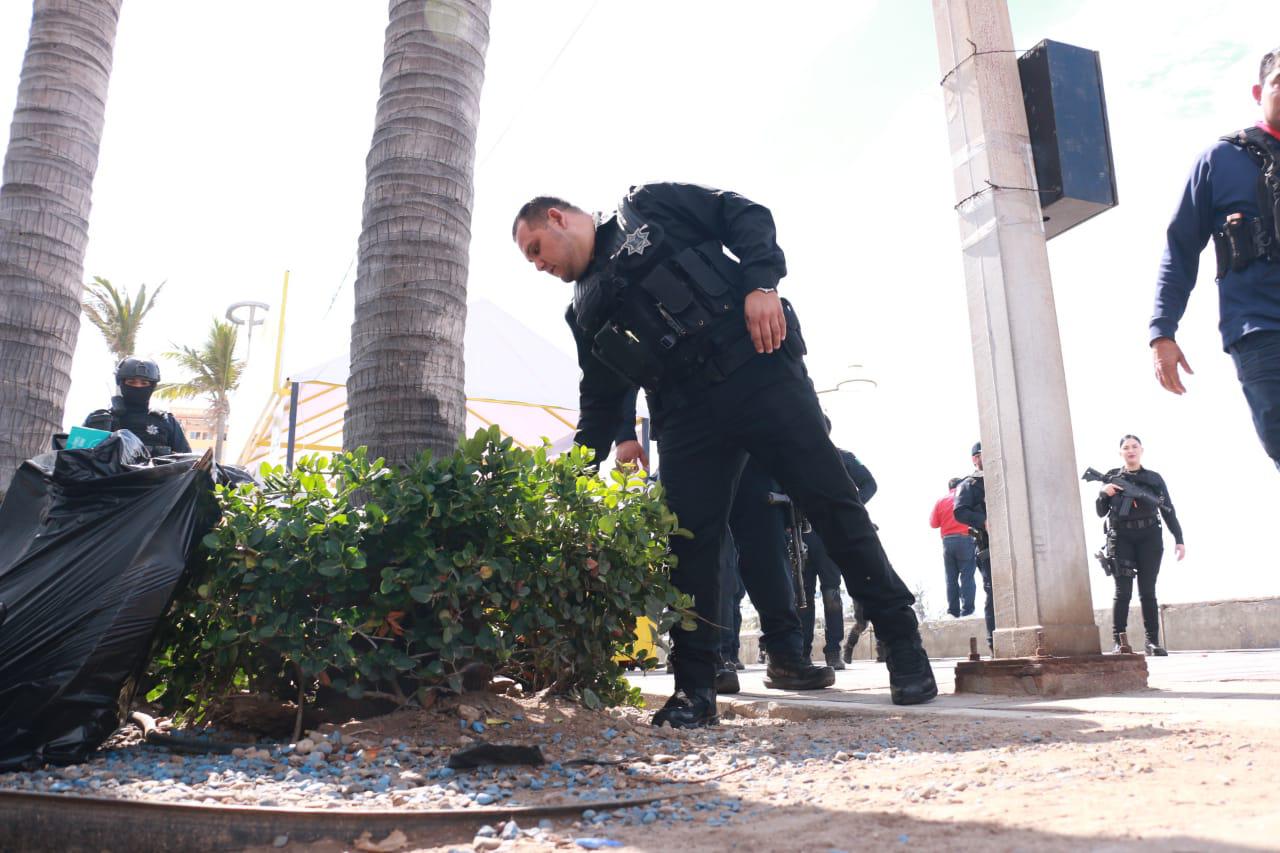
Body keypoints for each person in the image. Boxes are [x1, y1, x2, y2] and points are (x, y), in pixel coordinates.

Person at [512, 184, 937, 727]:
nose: (538, 265)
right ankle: (695, 690)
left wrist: (762, 282)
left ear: (557, 219)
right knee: (689, 546)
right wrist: (572, 475)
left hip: (758, 371)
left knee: (833, 503)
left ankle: (904, 649)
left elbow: (745, 213)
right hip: (686, 415)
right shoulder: (584, 309)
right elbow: (599, 398)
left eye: (535, 250)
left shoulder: (645, 206)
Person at [615, 395, 836, 696]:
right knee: (700, 550)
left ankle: (786, 656)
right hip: (686, 427)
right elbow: (620, 362)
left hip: (751, 430)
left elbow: (783, 363)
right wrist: (625, 433)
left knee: (767, 546)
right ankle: (709, 659)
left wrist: (805, 410)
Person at [1149, 47, 1280, 471]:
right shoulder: (1220, 160)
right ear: (1260, 91)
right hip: (1262, 331)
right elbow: (1181, 247)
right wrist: (1162, 331)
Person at [1094, 435, 1186, 656]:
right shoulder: (1113, 479)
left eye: (1134, 446)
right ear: (1120, 453)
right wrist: (1102, 494)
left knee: (1147, 592)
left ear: (1142, 450)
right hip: (1121, 538)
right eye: (1126, 447)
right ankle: (1120, 642)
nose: (1130, 450)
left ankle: (1152, 642)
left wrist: (1179, 539)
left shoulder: (1153, 479)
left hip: (1149, 538)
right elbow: (1100, 512)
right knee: (1122, 591)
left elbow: (1168, 509)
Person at [801, 446, 877, 670]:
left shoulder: (842, 456)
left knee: (831, 593)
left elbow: (869, 484)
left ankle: (833, 651)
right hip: (800, 532)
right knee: (801, 597)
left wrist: (846, 508)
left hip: (829, 531)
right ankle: (802, 654)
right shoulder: (794, 453)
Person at [84, 358, 191, 456]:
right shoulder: (99, 420)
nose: (137, 387)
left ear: (152, 386)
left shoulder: (166, 421)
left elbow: (188, 462)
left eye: (144, 383)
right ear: (121, 384)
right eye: (131, 382)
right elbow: (76, 462)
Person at [953, 442, 993, 652]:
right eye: (982, 454)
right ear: (975, 459)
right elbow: (960, 511)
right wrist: (984, 520)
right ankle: (994, 642)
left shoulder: (1002, 480)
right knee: (994, 592)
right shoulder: (969, 484)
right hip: (986, 545)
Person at [930, 477, 977, 618]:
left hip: (947, 542)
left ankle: (953, 611)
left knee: (951, 578)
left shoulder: (941, 501)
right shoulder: (966, 498)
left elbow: (933, 523)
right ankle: (967, 610)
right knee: (967, 576)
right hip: (965, 539)